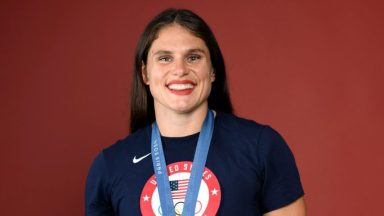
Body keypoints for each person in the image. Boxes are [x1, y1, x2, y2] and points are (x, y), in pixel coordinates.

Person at [85, 8, 306, 216]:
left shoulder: (261, 147)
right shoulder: (110, 165)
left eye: (193, 57)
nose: (180, 70)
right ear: (145, 74)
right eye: (165, 58)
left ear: (212, 71)